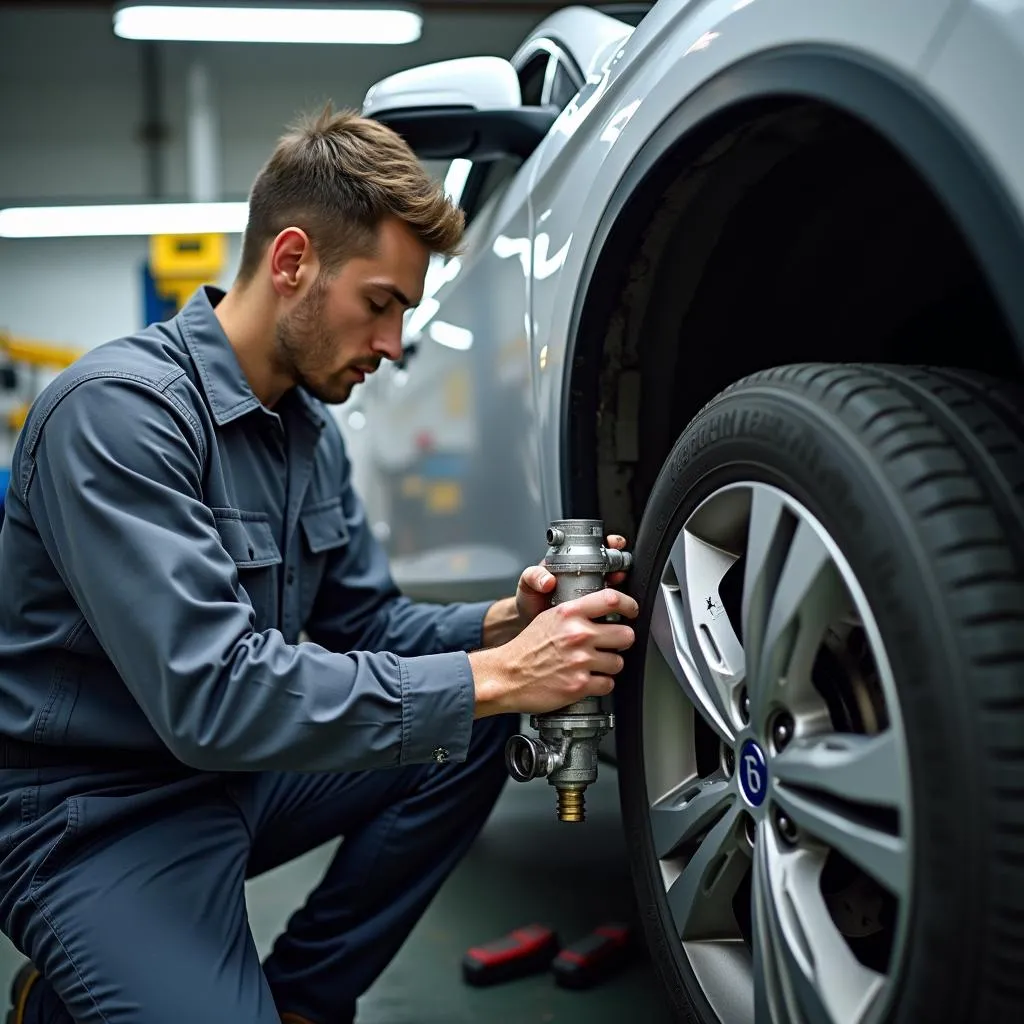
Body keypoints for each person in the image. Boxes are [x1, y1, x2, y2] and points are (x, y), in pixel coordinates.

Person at [0, 106, 638, 1024]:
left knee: (476, 723)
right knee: (481, 698)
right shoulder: (116, 416)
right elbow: (213, 697)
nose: (392, 344)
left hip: (235, 777)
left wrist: (502, 630)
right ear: (292, 261)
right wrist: (493, 677)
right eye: (380, 304)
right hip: (95, 817)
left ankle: (302, 999)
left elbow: (367, 628)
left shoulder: (307, 433)